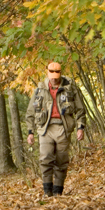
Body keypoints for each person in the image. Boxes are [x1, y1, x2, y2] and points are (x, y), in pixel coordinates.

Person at [26, 62, 86, 197]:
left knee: (61, 160)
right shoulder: (39, 89)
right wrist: (30, 132)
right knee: (45, 158)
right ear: (47, 73)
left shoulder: (69, 88)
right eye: (51, 74)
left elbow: (80, 110)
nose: (54, 77)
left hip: (63, 127)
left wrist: (80, 128)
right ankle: (47, 191)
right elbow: (30, 112)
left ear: (60, 73)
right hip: (45, 129)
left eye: (56, 74)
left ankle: (58, 191)